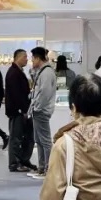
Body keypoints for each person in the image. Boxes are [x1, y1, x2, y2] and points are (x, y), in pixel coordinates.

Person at [6, 48, 36, 173]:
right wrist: (22, 110)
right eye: (24, 57)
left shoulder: (19, 72)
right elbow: (16, 95)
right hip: (17, 112)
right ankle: (14, 163)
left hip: (23, 111)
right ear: (17, 57)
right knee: (16, 138)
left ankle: (24, 160)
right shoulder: (13, 73)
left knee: (29, 136)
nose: (27, 59)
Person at [29, 46, 58, 178]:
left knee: (45, 141)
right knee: (39, 140)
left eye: (32, 58)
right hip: (38, 110)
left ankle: (48, 169)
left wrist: (37, 107)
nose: (31, 61)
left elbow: (45, 93)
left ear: (37, 58)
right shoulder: (43, 71)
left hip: (41, 111)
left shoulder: (46, 72)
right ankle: (42, 168)